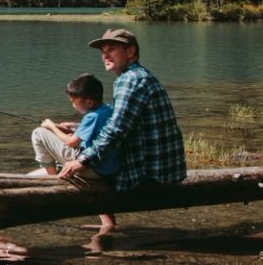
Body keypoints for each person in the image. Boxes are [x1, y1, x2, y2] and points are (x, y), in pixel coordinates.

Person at [59, 28, 187, 235]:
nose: (105, 55)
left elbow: (117, 130)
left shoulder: (131, 80)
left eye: (112, 49)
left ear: (130, 52)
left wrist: (82, 161)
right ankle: (107, 223)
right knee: (86, 149)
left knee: (46, 138)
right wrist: (78, 128)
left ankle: (38, 187)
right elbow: (124, 122)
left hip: (148, 176)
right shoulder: (139, 76)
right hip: (164, 170)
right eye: (103, 51)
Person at [31, 73, 118, 178]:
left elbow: (71, 143)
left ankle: (52, 177)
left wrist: (51, 126)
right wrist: (72, 127)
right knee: (60, 132)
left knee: (38, 133)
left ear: (89, 102)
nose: (73, 105)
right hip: (105, 167)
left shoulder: (92, 116)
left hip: (90, 167)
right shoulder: (108, 109)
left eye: (73, 102)